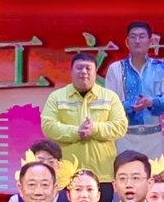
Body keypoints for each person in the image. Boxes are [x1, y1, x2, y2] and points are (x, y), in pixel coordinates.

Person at [39, 53, 126, 192]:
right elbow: (48, 126)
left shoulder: (110, 97)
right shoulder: (57, 97)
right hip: (66, 175)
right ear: (71, 71)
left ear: (95, 72)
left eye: (88, 68)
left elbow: (120, 126)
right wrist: (76, 132)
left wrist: (95, 129)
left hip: (102, 175)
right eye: (79, 68)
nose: (84, 72)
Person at [108, 23, 164, 169]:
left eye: (142, 37)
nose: (137, 41)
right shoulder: (115, 68)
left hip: (153, 135)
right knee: (126, 174)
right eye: (133, 37)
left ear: (151, 41)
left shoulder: (163, 68)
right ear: (127, 41)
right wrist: (131, 106)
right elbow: (110, 103)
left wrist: (151, 103)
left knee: (155, 177)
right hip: (124, 136)